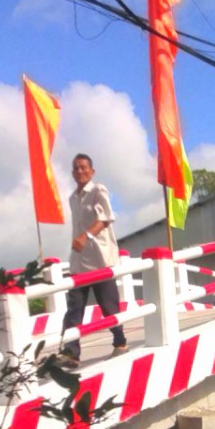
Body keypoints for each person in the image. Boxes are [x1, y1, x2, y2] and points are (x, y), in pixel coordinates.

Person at [58, 153, 128, 368]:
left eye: (83, 167)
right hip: (79, 261)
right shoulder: (72, 198)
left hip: (100, 260)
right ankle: (71, 354)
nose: (80, 171)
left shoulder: (98, 190)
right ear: (72, 173)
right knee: (74, 308)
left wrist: (86, 236)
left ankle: (120, 342)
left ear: (92, 171)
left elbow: (105, 218)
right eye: (76, 168)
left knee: (109, 306)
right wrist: (79, 242)